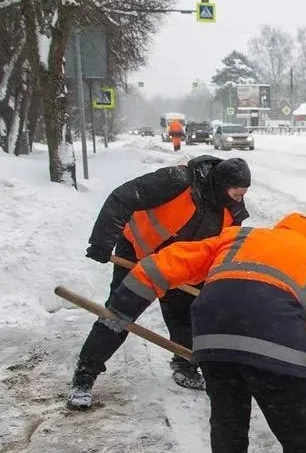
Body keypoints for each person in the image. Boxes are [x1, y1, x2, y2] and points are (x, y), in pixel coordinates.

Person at [102, 213, 306, 453]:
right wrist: (280, 380)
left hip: (213, 335)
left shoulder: (239, 238)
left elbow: (169, 262)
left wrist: (120, 309)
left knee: (228, 420)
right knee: (301, 433)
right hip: (279, 345)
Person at [67, 155, 251, 410]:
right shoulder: (176, 181)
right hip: (139, 254)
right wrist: (102, 241)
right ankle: (84, 376)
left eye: (243, 194)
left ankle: (185, 366)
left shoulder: (231, 209)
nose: (239, 199)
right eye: (236, 192)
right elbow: (123, 196)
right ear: (220, 184)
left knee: (190, 313)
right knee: (119, 314)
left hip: (179, 264)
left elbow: (224, 245)